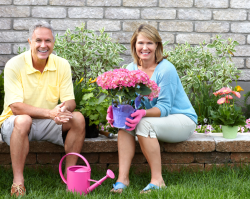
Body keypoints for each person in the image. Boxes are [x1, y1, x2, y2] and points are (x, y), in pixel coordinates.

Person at [107, 24, 197, 193]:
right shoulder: (130, 69)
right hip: (155, 119)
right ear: (134, 45)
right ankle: (122, 179)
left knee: (143, 123)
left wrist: (143, 113)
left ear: (157, 46)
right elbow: (128, 101)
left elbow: (164, 108)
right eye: (141, 43)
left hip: (181, 119)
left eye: (150, 43)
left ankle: (157, 180)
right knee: (125, 124)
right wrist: (114, 110)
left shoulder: (166, 69)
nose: (145, 47)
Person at [0, 21, 85, 197]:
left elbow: (70, 100)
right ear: (29, 41)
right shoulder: (14, 65)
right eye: (38, 40)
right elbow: (15, 107)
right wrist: (50, 113)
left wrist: (62, 109)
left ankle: (71, 178)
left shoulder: (62, 64)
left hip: (49, 122)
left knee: (78, 118)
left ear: (53, 43)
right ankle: (18, 182)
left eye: (48, 41)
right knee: (24, 119)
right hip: (16, 124)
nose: (43, 45)